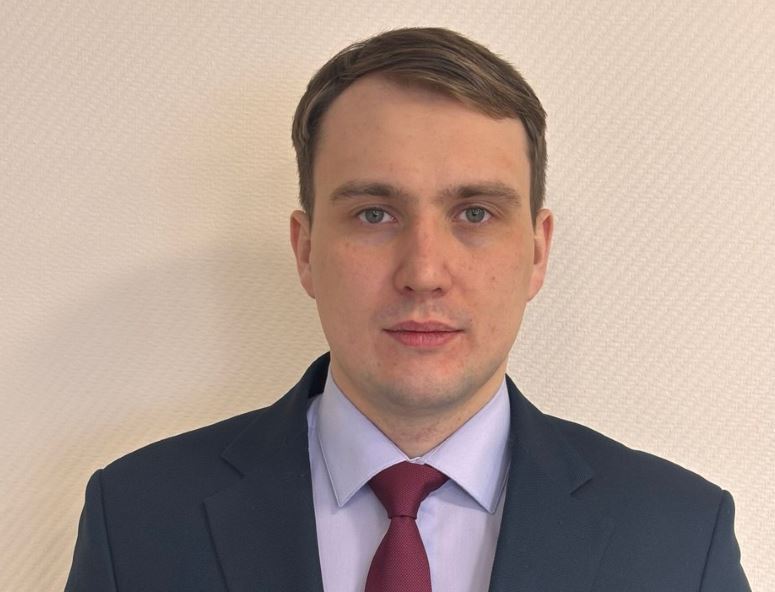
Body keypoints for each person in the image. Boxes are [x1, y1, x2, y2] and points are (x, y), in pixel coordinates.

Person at [65, 27, 750, 591]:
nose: (423, 273)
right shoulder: (137, 519)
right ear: (305, 250)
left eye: (475, 213)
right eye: (374, 213)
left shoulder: (680, 538)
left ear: (537, 252)